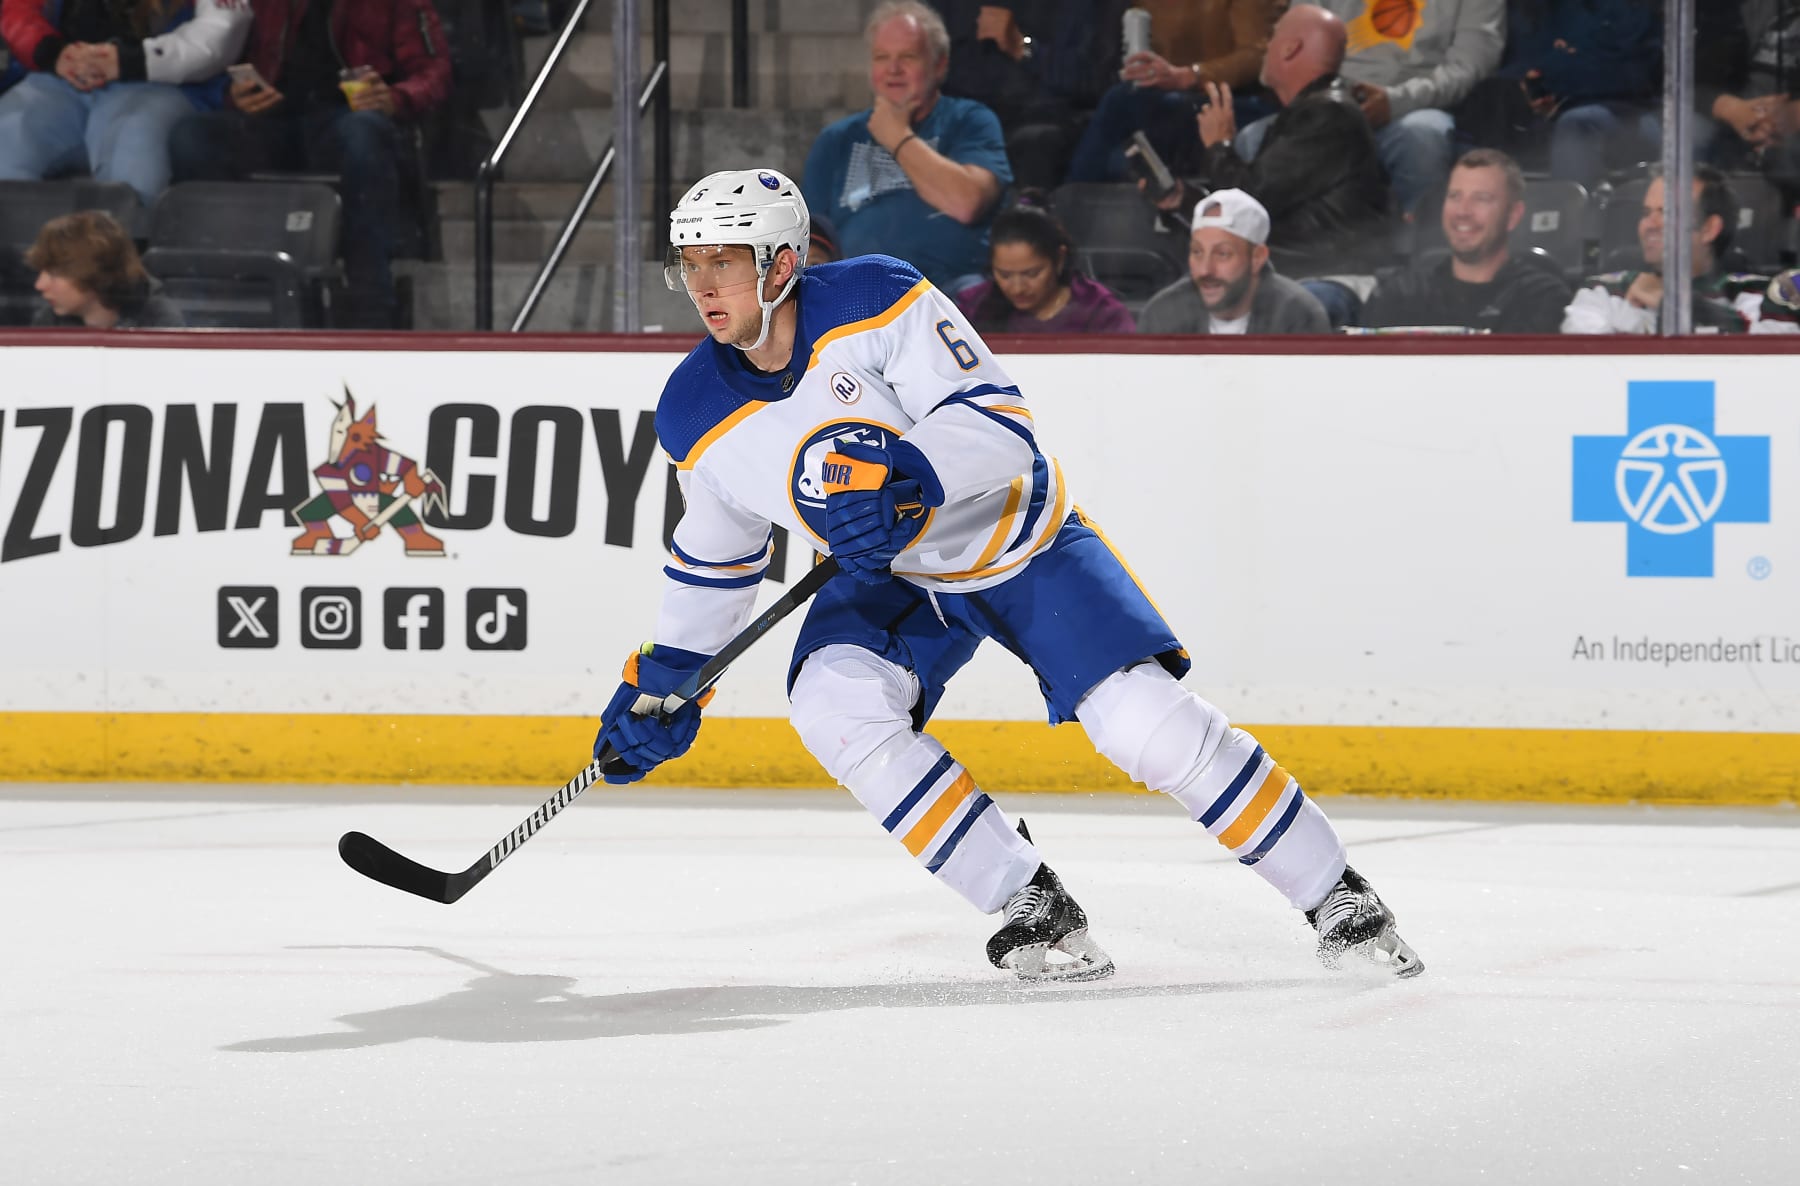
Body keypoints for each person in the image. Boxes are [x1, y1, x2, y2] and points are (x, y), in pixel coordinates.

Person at [591, 164, 1425, 985]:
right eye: (689, 263)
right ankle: (1027, 897)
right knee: (831, 705)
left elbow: (999, 421)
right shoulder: (694, 408)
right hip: (892, 576)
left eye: (724, 260)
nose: (703, 284)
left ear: (781, 264)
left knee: (1143, 725)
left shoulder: (876, 298)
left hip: (1014, 537)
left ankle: (1336, 893)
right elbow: (717, 559)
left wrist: (907, 478)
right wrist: (669, 681)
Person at [166, 0, 451, 329]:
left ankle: (370, 300)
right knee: (193, 136)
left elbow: (436, 73)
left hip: (348, 119)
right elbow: (234, 58)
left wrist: (395, 98)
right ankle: (215, 293)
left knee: (363, 133)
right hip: (276, 120)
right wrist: (238, 95)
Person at [1167, 4, 1395, 328]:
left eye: (1272, 37)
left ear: (1290, 48)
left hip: (1326, 276)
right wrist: (1182, 199)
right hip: (1295, 270)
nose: (1265, 46)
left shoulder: (1329, 115)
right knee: (1178, 305)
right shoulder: (1308, 114)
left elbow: (1251, 200)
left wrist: (1219, 145)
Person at [801, 0, 1013, 293]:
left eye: (908, 57)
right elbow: (809, 238)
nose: (893, 69)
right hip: (859, 296)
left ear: (939, 65)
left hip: (951, 293)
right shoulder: (836, 139)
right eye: (882, 57)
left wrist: (897, 137)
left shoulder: (970, 121)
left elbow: (967, 204)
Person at [1238, 0, 1503, 214]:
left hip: (1418, 105)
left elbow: (1470, 65)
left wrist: (1396, 101)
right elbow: (1299, 36)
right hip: (1333, 98)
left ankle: (1420, 250)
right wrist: (1329, 100)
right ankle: (1261, 252)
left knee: (1421, 136)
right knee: (1254, 138)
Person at [0, 0, 250, 205]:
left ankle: (124, 247)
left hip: (162, 83)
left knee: (134, 144)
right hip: (62, 77)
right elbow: (17, 10)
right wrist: (53, 52)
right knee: (10, 133)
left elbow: (219, 33)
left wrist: (128, 60)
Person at [1452, 0, 1662, 192]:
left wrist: (1554, 80)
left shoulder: (1635, 8)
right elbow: (1526, 64)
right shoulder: (1543, 8)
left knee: (1578, 124)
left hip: (1634, 113)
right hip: (1556, 104)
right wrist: (1532, 88)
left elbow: (1634, 75)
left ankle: (1570, 218)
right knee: (1479, 120)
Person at [1065, 0, 1283, 183]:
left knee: (1122, 101)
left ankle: (1068, 203)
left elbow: (1257, 55)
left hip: (1233, 101)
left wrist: (1189, 76)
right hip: (1163, 98)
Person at [1362, 148, 1571, 333]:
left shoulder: (1542, 299)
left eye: (1481, 199)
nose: (1462, 212)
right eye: (1455, 196)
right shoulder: (1399, 294)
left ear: (1513, 215)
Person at [1562, 166, 1770, 334]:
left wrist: (1677, 304)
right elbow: (1589, 364)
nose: (1650, 224)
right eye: (1646, 213)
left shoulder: (1754, 295)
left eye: (1667, 213)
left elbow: (1768, 349)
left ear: (1708, 228)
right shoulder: (1603, 293)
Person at [1138, 187, 1330, 333]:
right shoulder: (1161, 315)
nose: (1205, 270)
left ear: (1257, 258)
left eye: (1222, 254)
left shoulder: (1298, 316)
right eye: (1197, 252)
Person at [954, 196, 1136, 333]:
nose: (1018, 288)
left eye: (1032, 274)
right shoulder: (976, 307)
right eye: (1004, 275)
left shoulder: (1100, 313)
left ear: (1060, 259)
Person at [26, 209, 184, 328]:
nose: (39, 285)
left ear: (96, 273)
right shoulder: (48, 321)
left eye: (55, 273)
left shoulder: (158, 322)